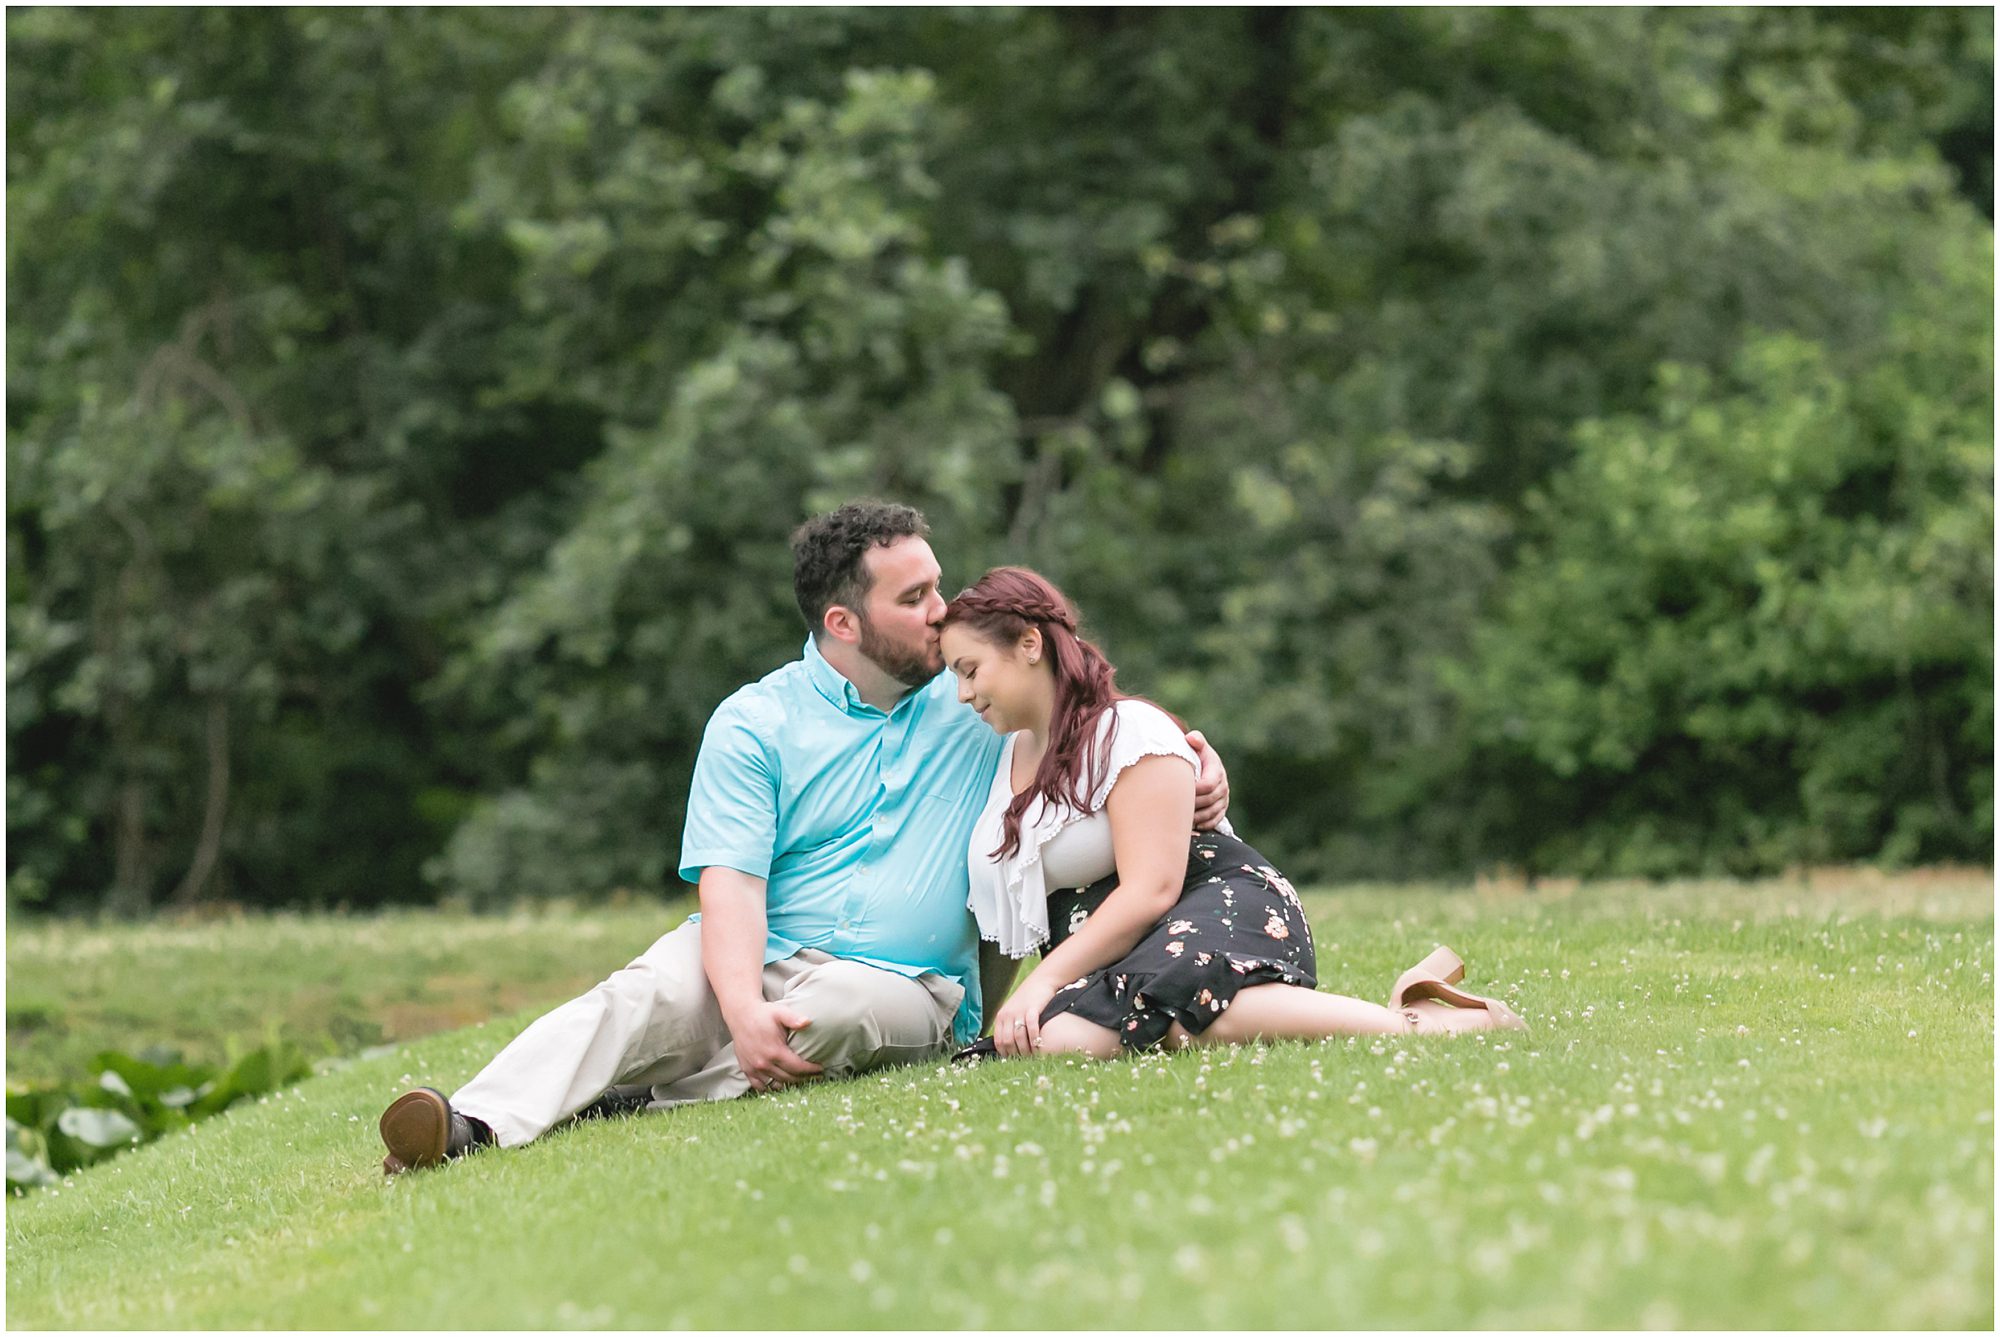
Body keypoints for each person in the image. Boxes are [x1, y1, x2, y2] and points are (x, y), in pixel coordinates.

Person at [377, 502, 1231, 1172]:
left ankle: (641, 1094)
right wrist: (742, 1003)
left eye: (937, 586)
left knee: (828, 1015)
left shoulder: (975, 693)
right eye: (915, 600)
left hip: (908, 983)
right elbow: (732, 887)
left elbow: (1096, 715)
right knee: (641, 996)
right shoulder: (755, 722)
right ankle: (467, 1123)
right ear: (844, 623)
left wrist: (1199, 758)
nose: (944, 613)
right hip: (759, 945)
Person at [938, 566, 1526, 1062]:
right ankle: (1404, 1010)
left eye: (970, 670)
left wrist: (1044, 982)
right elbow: (1009, 920)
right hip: (1114, 950)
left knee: (1193, 1011)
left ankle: (1420, 1026)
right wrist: (993, 1018)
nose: (963, 694)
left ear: (1030, 645)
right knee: (1059, 1040)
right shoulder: (1000, 757)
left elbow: (1153, 888)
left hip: (1209, 903)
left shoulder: (1129, 730)